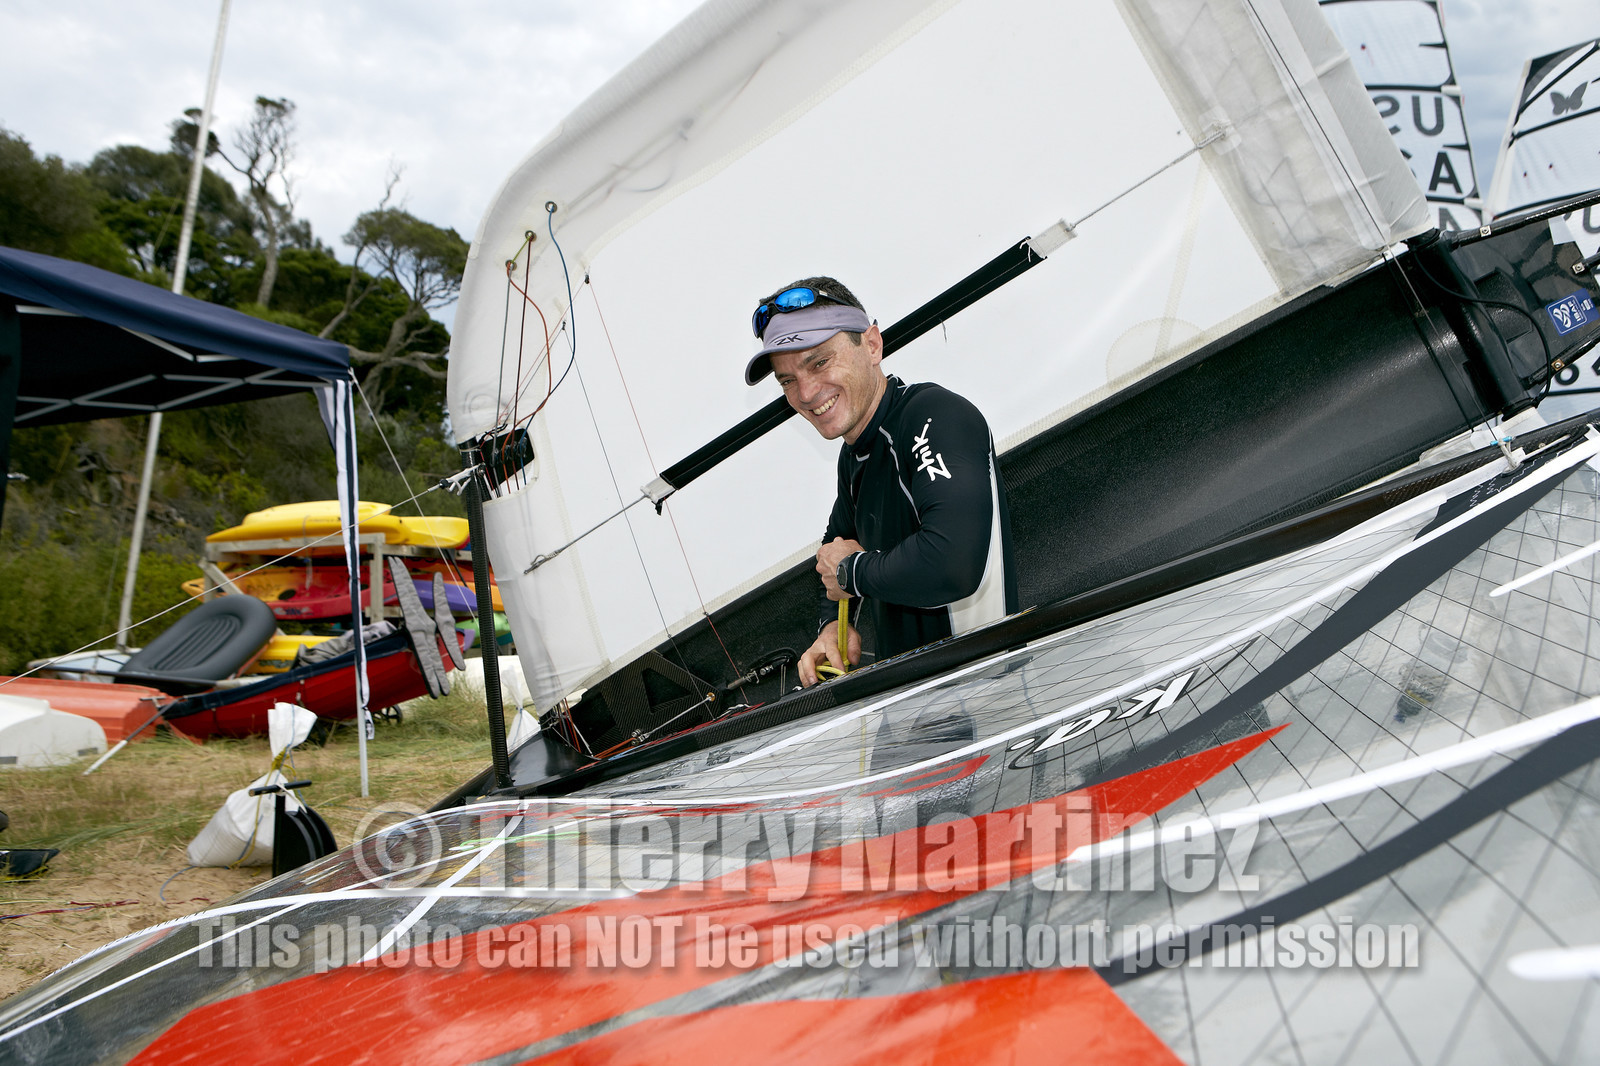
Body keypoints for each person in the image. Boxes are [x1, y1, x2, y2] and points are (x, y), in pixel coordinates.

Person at [744, 277, 1018, 686]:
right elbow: (833, 553)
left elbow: (953, 564)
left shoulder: (934, 416)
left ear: (872, 345)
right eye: (787, 380)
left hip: (989, 694)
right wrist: (831, 629)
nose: (805, 392)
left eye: (819, 362)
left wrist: (852, 572)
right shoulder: (854, 454)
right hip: (910, 701)